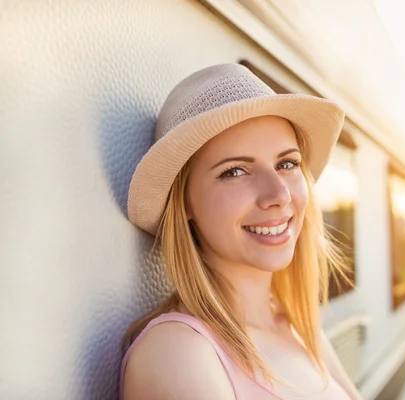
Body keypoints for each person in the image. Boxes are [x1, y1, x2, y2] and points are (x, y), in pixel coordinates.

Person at [120, 63, 363, 399]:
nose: (278, 195)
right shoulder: (179, 353)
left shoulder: (298, 328)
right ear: (184, 203)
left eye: (287, 163)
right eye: (235, 171)